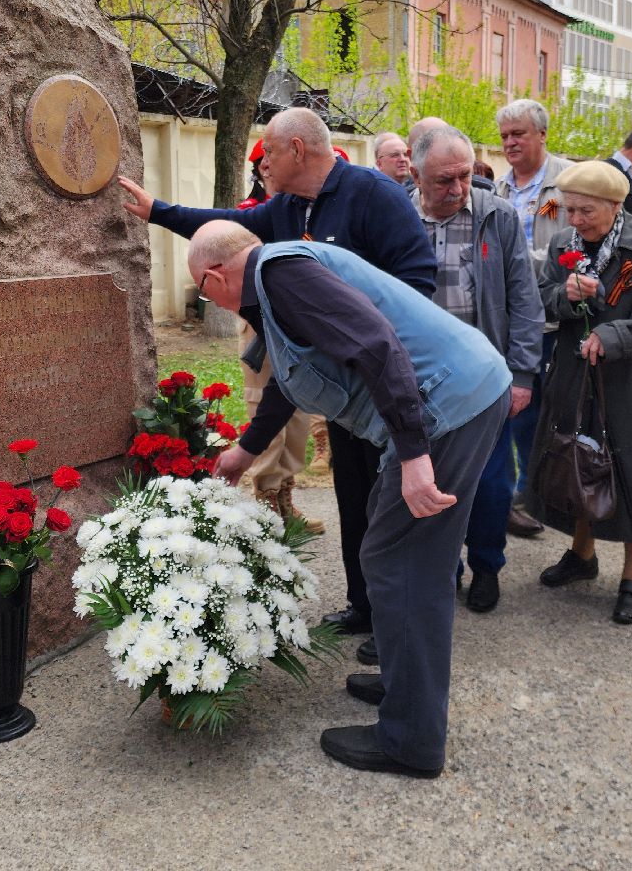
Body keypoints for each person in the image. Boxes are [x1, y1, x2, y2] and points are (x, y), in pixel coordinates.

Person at [196, 221, 511, 778]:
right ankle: (402, 684)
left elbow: (377, 345)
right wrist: (243, 454)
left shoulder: (281, 275)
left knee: (401, 562)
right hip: (457, 396)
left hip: (447, 407)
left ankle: (410, 740)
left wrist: (415, 457)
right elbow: (287, 383)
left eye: (204, 291)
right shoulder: (279, 285)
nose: (209, 300)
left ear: (215, 275)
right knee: (397, 555)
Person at [118, 106, 435, 638]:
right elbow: (227, 227)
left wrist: (355, 334)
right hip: (341, 392)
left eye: (267, 150)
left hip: (388, 385)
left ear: (296, 149)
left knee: (394, 511)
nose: (260, 162)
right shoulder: (288, 208)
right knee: (353, 500)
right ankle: (365, 607)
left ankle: (398, 632)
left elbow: (418, 283)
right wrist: (158, 212)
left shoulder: (373, 195)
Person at [527, 161, 632, 623]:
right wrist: (566, 296)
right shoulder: (563, 243)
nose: (574, 221)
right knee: (577, 457)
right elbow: (541, 296)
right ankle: (582, 555)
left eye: (586, 211)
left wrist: (614, 336)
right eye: (570, 210)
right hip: (576, 372)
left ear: (615, 206)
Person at [407, 125, 543, 613]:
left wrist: (523, 376)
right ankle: (445, 570)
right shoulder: (398, 215)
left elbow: (525, 300)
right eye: (445, 179)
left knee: (489, 483)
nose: (458, 188)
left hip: (484, 379)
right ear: (414, 170)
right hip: (419, 379)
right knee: (429, 482)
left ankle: (487, 566)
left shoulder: (497, 217)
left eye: (465, 176)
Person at [493, 99, 573, 538]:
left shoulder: (567, 181)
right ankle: (520, 495)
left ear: (542, 134)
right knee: (515, 411)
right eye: (505, 136)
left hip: (555, 318)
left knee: (549, 412)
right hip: (508, 322)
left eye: (518, 134)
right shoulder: (499, 188)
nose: (510, 143)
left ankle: (542, 493)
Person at [234, 139, 321, 533]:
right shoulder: (247, 217)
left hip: (299, 326)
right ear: (261, 171)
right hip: (260, 328)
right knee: (263, 404)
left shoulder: (302, 214)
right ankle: (267, 499)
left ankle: (287, 494)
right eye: (265, 166)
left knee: (299, 407)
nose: (271, 171)